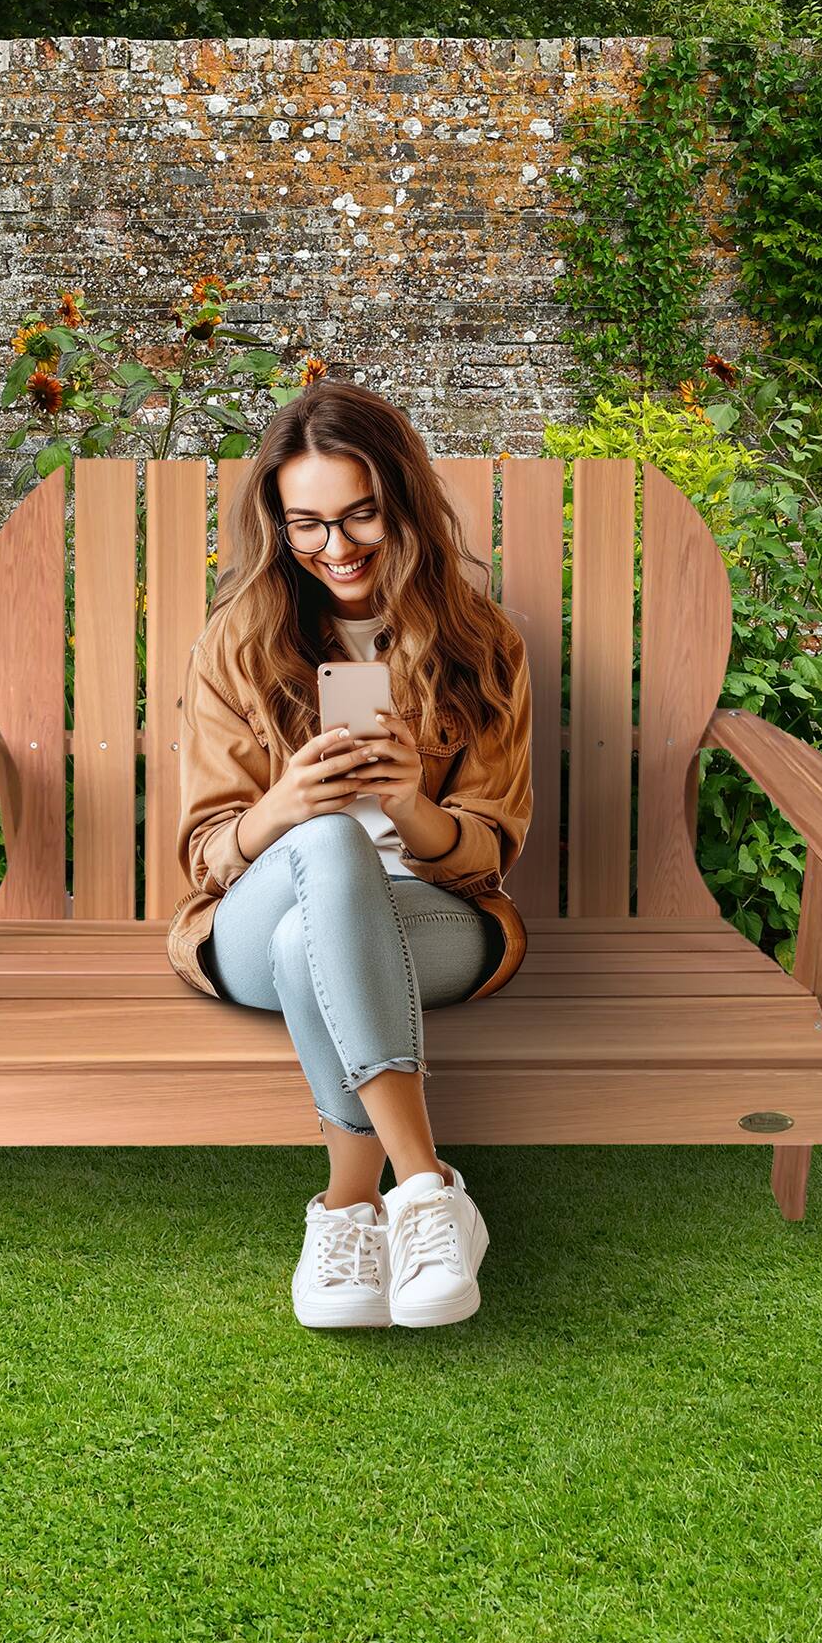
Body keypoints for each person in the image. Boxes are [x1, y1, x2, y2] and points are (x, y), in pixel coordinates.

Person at [166, 380, 534, 1331]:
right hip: (246, 919)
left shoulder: (481, 645)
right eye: (307, 525)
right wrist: (283, 807)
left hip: (431, 918)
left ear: (402, 505)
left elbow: (489, 851)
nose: (336, 548)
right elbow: (207, 854)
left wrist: (412, 805)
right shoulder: (237, 646)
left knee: (308, 950)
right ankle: (426, 1191)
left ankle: (344, 1214)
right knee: (324, 839)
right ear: (278, 526)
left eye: (360, 516)